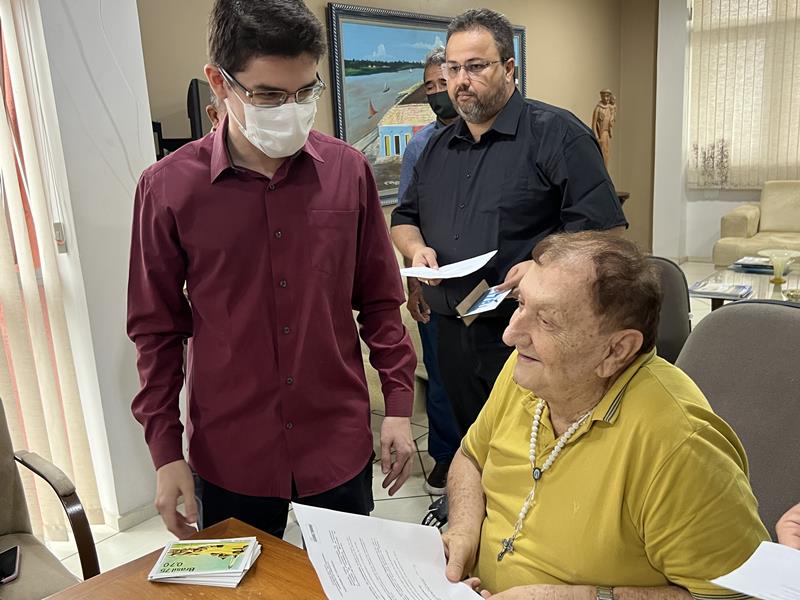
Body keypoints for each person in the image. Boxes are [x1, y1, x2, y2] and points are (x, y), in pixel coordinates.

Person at [127, 0, 416, 541]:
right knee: (242, 582)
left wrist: (398, 405)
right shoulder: (167, 188)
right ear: (219, 82)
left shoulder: (348, 172)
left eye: (305, 92)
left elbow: (380, 301)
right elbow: (156, 330)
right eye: (269, 95)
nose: (291, 109)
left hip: (336, 440)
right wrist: (165, 451)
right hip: (232, 449)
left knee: (344, 577)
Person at [442, 231, 769, 599]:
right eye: (521, 305)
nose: (510, 334)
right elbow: (471, 457)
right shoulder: (530, 369)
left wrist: (582, 597)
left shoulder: (678, 446)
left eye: (547, 321)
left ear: (616, 350)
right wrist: (463, 531)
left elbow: (740, 596)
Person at [391, 9, 627, 442]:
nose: (461, 81)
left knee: (534, 447)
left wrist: (541, 268)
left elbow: (605, 236)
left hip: (531, 332)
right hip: (453, 330)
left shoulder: (558, 135)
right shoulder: (434, 149)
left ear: (509, 68)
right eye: (453, 69)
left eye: (476, 67)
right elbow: (404, 218)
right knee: (475, 445)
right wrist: (415, 249)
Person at [397, 47, 461, 496]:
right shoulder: (420, 147)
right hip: (435, 282)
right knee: (440, 373)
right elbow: (407, 218)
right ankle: (445, 457)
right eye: (430, 86)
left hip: (485, 288)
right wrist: (414, 285)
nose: (439, 93)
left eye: (444, 83)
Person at [591, 89, 616, 167]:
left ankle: (605, 169)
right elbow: (594, 124)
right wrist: (597, 137)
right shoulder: (598, 109)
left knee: (606, 153)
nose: (606, 98)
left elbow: (612, 118)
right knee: (601, 153)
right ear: (601, 97)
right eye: (604, 96)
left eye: (607, 96)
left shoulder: (610, 108)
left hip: (606, 133)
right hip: (601, 134)